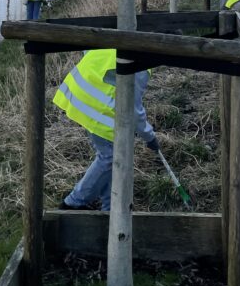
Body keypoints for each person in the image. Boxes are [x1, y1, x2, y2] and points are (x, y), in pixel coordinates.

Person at [54, 49, 160, 210]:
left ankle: (110, 208)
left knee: (111, 160)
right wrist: (149, 136)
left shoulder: (121, 40)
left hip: (81, 96)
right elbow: (134, 108)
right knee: (110, 157)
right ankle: (73, 203)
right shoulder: (141, 65)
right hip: (96, 109)